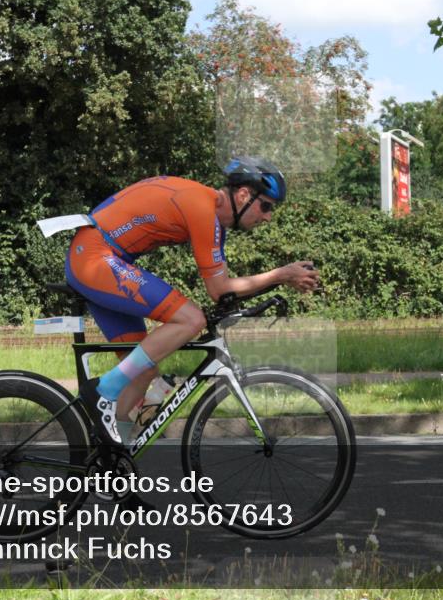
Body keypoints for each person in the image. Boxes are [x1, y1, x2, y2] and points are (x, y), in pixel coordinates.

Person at [65, 156, 320, 446]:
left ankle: (112, 466)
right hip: (95, 258)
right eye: (266, 206)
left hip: (100, 258)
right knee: (191, 319)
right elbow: (219, 288)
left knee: (143, 372)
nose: (268, 217)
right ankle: (103, 390)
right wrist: (281, 274)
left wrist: (266, 287)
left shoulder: (213, 220)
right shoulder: (203, 209)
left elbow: (224, 292)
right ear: (244, 195)